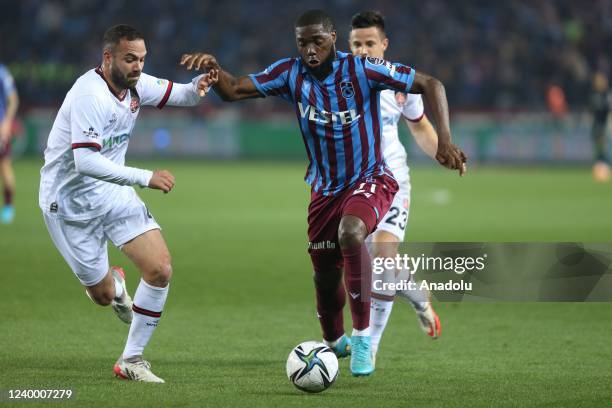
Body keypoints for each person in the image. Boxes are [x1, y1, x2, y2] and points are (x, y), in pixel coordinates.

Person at [181, 9, 466, 376]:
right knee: (325, 275)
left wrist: (445, 142)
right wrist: (215, 71)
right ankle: (335, 339)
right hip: (325, 189)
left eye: (317, 40)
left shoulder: (363, 70)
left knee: (356, 237)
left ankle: (365, 339)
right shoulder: (290, 73)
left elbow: (432, 84)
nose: (310, 49)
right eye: (303, 43)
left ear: (332, 37)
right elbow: (235, 90)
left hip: (374, 177)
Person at [39, 24, 216, 383]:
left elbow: (182, 94)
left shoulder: (135, 85)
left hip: (112, 194)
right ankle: (115, 286)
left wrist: (198, 88)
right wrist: (144, 176)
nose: (138, 66)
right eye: (130, 59)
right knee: (102, 295)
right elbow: (85, 162)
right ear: (108, 58)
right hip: (70, 204)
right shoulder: (89, 94)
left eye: (142, 59)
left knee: (160, 269)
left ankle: (131, 360)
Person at [349, 10, 466, 363]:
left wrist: (441, 153)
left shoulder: (400, 81)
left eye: (370, 43)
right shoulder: (337, 80)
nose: (363, 50)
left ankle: (370, 346)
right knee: (361, 269)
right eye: (356, 44)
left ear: (384, 45)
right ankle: (416, 293)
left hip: (392, 181)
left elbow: (418, 126)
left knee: (383, 263)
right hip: (352, 185)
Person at [0, 63, 19, 224]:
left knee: (4, 166)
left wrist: (6, 123)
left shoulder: (2, 72)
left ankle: (8, 207)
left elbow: (13, 99)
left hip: (0, 128)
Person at [590, 71, 610, 182]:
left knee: (603, 147)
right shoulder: (593, 94)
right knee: (598, 147)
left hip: (605, 125)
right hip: (596, 125)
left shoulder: (607, 94)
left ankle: (604, 169)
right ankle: (599, 169)